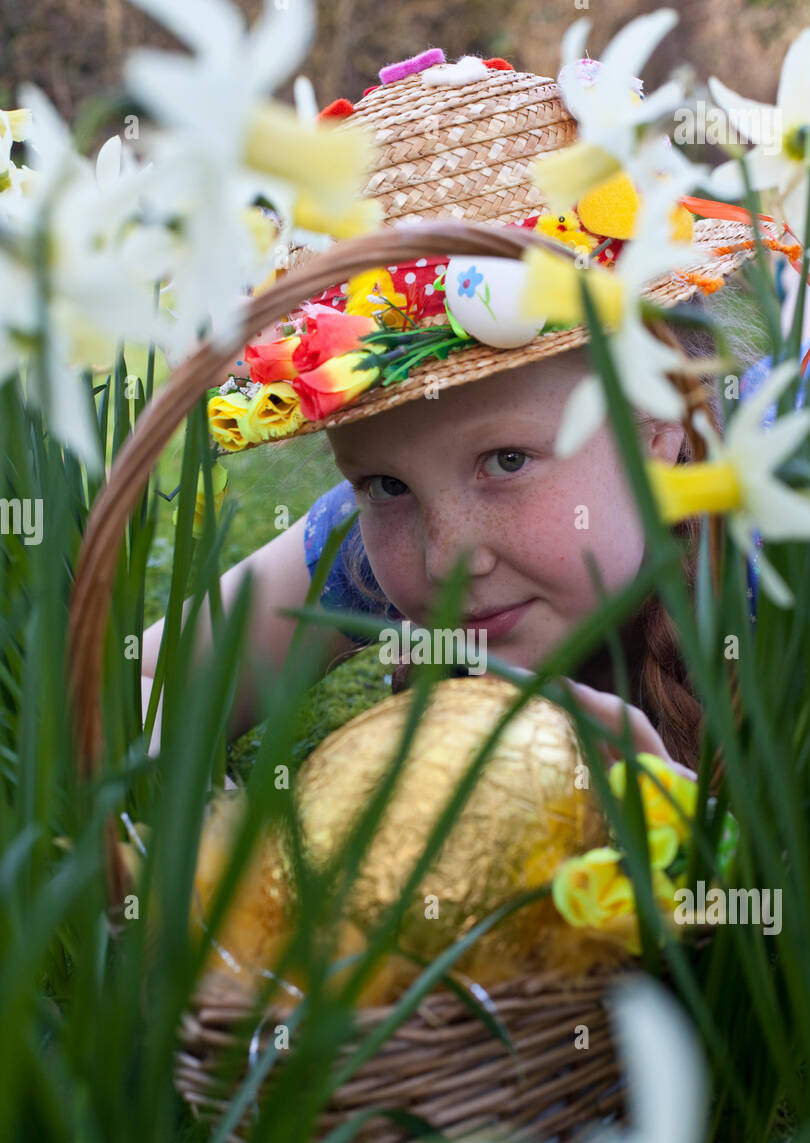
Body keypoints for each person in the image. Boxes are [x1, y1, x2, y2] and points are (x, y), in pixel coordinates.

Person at [141, 49, 763, 780]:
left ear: (658, 424)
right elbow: (140, 693)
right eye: (383, 486)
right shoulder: (371, 552)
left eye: (506, 461)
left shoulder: (799, 549)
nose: (445, 561)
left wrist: (687, 840)